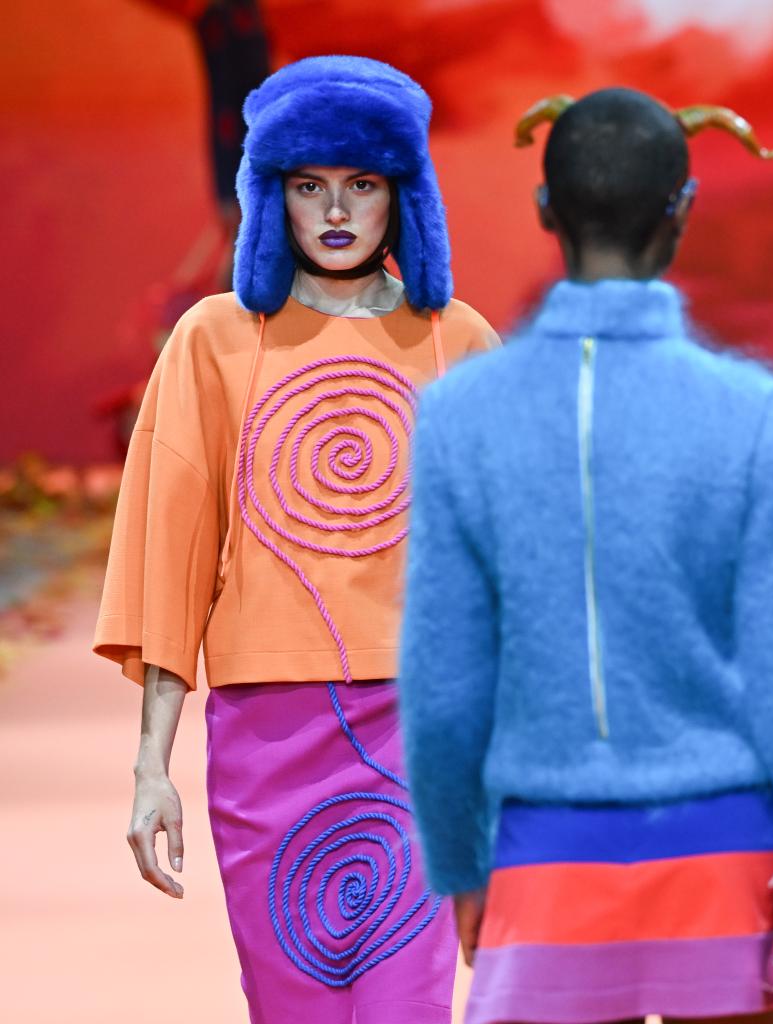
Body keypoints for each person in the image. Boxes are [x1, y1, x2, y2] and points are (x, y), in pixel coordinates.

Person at [397, 87, 773, 1024]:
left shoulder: (459, 420)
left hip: (545, 866)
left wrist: (461, 865)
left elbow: (443, 688)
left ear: (545, 209)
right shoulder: (757, 417)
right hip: (724, 859)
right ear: (684, 209)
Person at [93, 55, 497, 1024]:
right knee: (293, 1006)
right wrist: (150, 768)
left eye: (363, 183)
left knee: (406, 1006)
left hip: (422, 731)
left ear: (403, 193)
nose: (337, 210)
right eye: (308, 185)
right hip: (265, 736)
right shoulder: (215, 339)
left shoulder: (460, 342)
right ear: (269, 194)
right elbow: (172, 560)